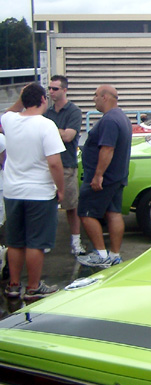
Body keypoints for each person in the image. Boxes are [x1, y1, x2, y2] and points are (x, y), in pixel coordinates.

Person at [1, 83, 65, 300]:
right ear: (43, 100)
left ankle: (13, 285)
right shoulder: (46, 125)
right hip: (39, 192)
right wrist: (60, 189)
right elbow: (54, 163)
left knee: (15, 241)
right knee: (35, 242)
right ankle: (33, 286)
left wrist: (22, 98)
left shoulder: (9, 121)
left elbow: (9, 112)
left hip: (12, 190)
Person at [76, 85, 131, 269]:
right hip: (116, 176)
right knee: (113, 213)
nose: (94, 99)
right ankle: (114, 255)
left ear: (105, 97)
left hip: (104, 178)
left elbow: (107, 149)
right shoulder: (121, 117)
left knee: (86, 213)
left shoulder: (109, 120)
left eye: (96, 95)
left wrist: (98, 175)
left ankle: (101, 255)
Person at [43, 75, 85, 256]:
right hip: (47, 166)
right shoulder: (47, 113)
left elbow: (68, 136)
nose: (51, 92)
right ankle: (45, 240)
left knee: (71, 206)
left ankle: (76, 241)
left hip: (66, 164)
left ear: (64, 90)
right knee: (46, 206)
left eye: (55, 89)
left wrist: (49, 129)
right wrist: (57, 130)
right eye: (49, 88)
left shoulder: (73, 111)